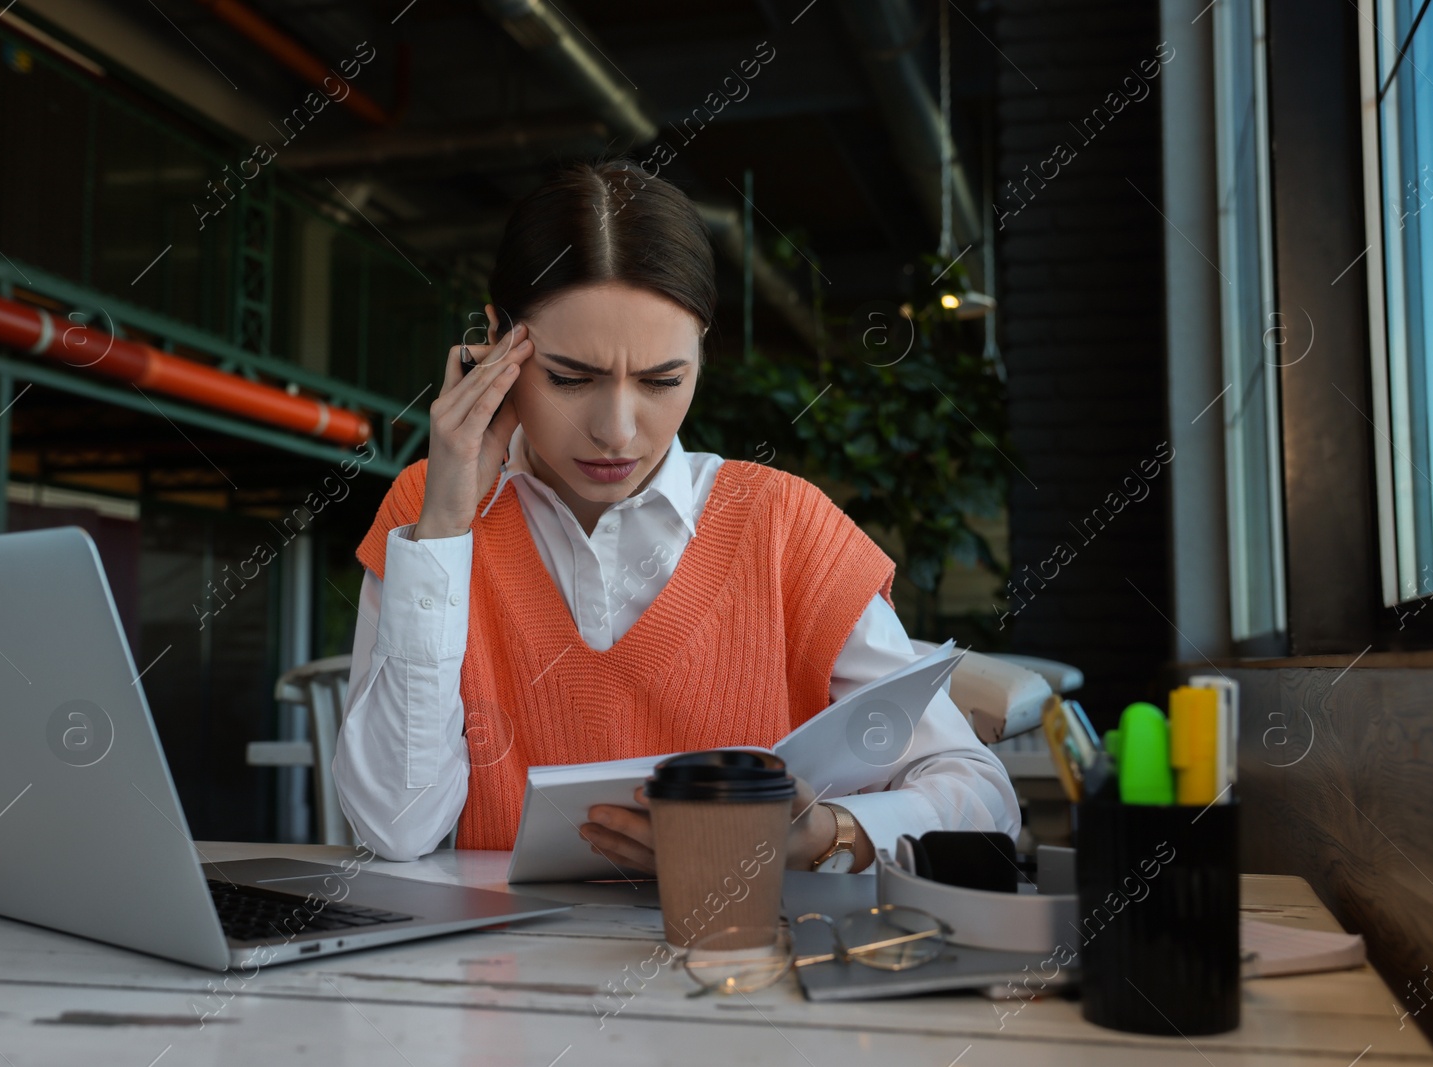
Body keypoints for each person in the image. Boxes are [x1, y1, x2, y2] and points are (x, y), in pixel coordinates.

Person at [335, 159, 1019, 874]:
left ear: (700, 349)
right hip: (497, 976)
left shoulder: (783, 525)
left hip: (741, 971)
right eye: (570, 378)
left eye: (663, 380)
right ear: (497, 339)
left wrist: (827, 837)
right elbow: (398, 826)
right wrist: (446, 523)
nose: (618, 431)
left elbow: (979, 792)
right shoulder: (426, 513)